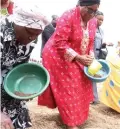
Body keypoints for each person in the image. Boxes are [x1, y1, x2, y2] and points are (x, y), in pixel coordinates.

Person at [38, 0, 100, 129]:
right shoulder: (68, 16)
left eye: (95, 11)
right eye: (90, 10)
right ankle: (70, 123)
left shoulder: (93, 21)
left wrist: (90, 57)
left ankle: (74, 116)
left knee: (82, 85)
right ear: (79, 6)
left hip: (78, 56)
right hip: (57, 55)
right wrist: (77, 57)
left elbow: (90, 42)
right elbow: (59, 43)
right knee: (69, 88)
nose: (92, 14)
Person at [1, 5, 49, 129]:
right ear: (18, 23)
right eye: (30, 33)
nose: (31, 39)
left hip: (10, 92)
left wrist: (26, 87)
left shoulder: (31, 38)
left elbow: (20, 67)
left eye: (37, 35)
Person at [91, 10, 113, 104]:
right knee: (89, 74)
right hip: (89, 54)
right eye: (99, 19)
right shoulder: (89, 27)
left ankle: (94, 98)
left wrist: (104, 44)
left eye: (102, 20)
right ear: (94, 18)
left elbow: (99, 44)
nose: (100, 21)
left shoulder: (101, 31)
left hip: (97, 55)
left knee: (93, 75)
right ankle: (92, 98)